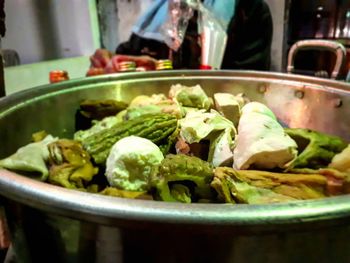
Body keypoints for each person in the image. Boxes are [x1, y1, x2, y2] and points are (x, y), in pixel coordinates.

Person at [116, 0, 273, 71]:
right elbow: (129, 55)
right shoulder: (159, 9)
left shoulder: (249, 10)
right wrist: (111, 62)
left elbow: (245, 86)